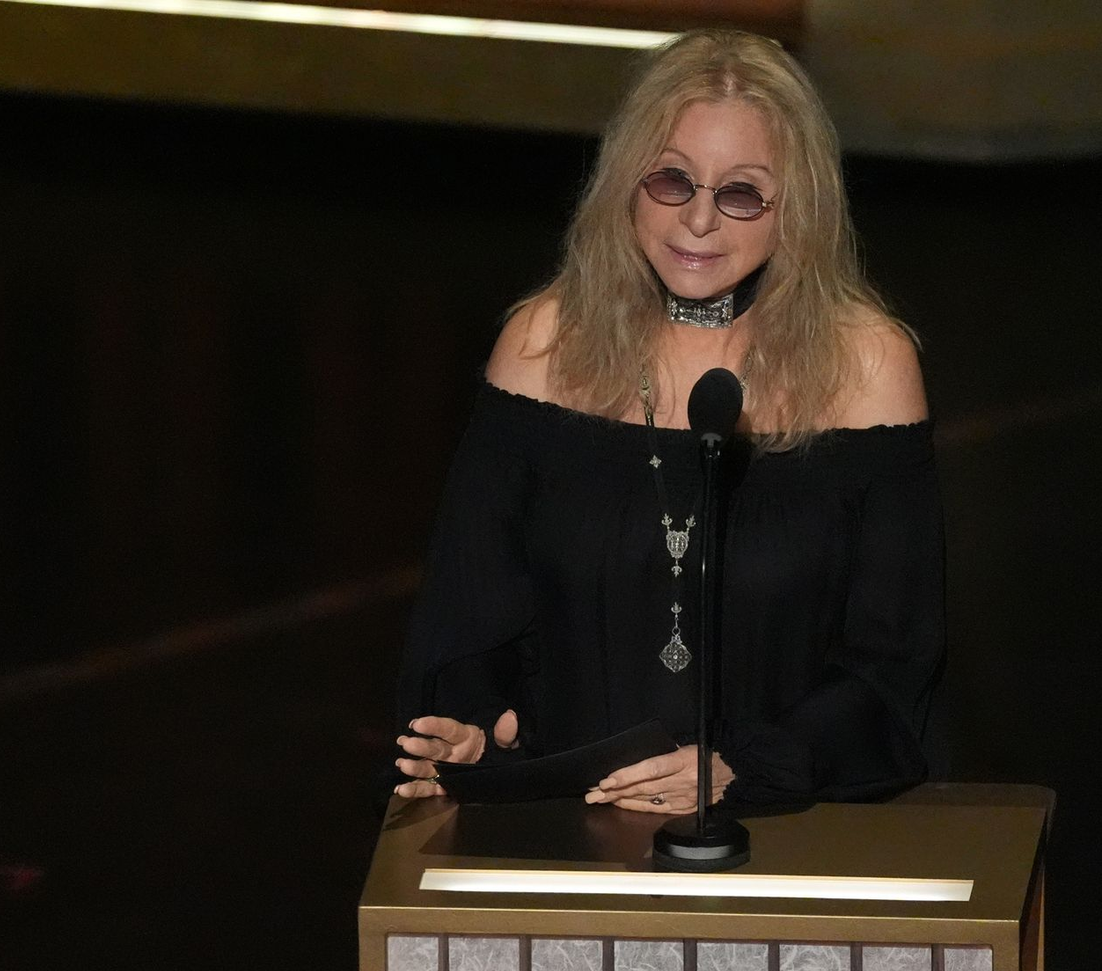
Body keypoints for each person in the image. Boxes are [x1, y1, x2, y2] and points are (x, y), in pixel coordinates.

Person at [391, 29, 943, 814]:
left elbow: (894, 664)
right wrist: (479, 730)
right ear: (626, 183)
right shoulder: (540, 345)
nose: (699, 222)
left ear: (801, 208)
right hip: (568, 833)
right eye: (672, 181)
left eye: (742, 192)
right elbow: (473, 620)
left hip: (787, 836)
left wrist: (737, 767)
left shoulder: (869, 367)